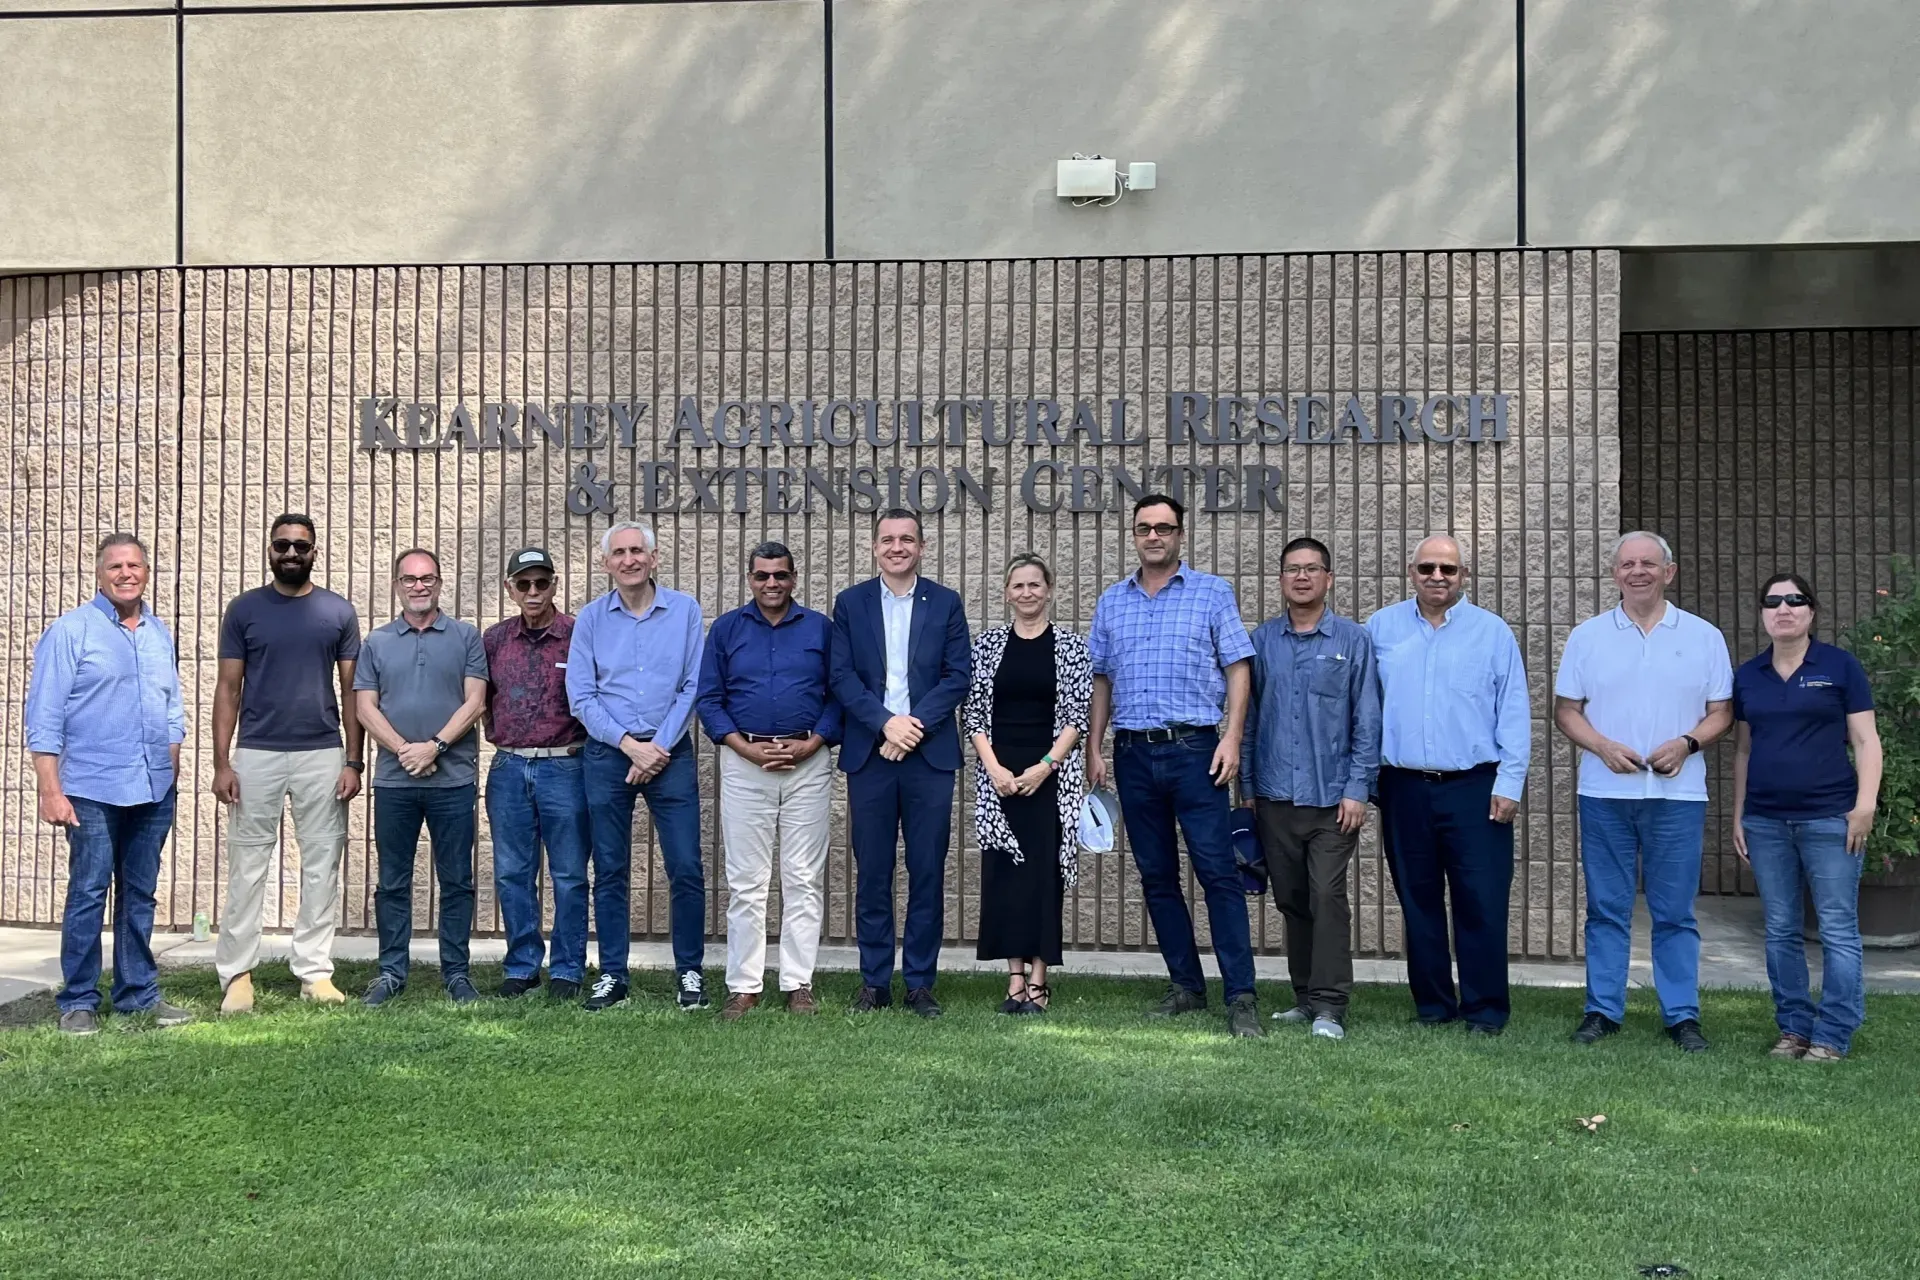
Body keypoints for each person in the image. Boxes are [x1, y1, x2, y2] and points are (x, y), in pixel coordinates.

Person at [1086, 494, 1261, 1038]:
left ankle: (1241, 996)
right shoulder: (1113, 601)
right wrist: (1095, 746)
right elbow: (1101, 680)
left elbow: (1238, 667)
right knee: (1157, 877)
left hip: (1196, 753)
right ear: (1134, 535)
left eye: (1164, 528)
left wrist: (1232, 737)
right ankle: (1186, 986)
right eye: (1144, 528)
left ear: (1181, 535)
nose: (1154, 536)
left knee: (1218, 874)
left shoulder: (1212, 592)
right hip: (1133, 754)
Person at [1555, 531, 1732, 1053]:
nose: (1638, 572)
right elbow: (1566, 709)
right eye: (1627, 564)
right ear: (1614, 575)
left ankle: (1681, 1015)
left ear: (1668, 572)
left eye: (1648, 564)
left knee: (1674, 911)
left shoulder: (1704, 636)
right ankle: (1602, 1011)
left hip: (1678, 798)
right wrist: (1603, 747)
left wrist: (1688, 742)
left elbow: (1722, 712)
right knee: (1606, 908)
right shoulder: (1587, 637)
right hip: (1605, 793)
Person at [26, 533, 192, 1035]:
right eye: (116, 565)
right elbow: (44, 715)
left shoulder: (159, 632)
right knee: (88, 893)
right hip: (92, 788)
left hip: (153, 786)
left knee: (140, 895)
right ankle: (77, 1001)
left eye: (135, 565)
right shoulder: (71, 632)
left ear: (146, 572)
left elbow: (171, 709)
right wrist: (49, 789)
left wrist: (172, 761)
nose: (126, 573)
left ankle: (138, 995)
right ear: (100, 574)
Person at [1367, 535, 1530, 1036]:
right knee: (1418, 901)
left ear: (1464, 576)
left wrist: (1510, 783)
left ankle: (1485, 1010)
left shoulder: (1492, 632)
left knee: (1480, 900)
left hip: (1475, 788)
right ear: (1411, 572)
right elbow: (1366, 709)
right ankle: (1434, 1006)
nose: (1438, 577)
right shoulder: (1381, 628)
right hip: (1403, 787)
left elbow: (1515, 711)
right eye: (1428, 568)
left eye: (1449, 570)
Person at [210, 514, 364, 1014]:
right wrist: (221, 764)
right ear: (270, 550)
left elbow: (351, 691)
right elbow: (228, 689)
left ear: (315, 551)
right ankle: (237, 975)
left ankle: (315, 973)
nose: (292, 553)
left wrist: (353, 761)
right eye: (283, 545)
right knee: (247, 867)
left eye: (301, 545)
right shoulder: (244, 610)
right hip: (256, 753)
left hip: (322, 752)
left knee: (323, 865)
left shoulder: (337, 611)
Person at [1732, 574, 1882, 1061]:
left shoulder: (1839, 667)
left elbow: (1866, 741)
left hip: (1829, 818)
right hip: (1766, 822)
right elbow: (1744, 750)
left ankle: (1833, 1033)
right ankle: (1794, 1028)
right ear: (1763, 613)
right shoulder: (1749, 674)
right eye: (1772, 601)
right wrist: (1738, 816)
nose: (1784, 608)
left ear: (1811, 611)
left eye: (1795, 600)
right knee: (1780, 929)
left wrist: (1864, 807)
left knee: (1838, 930)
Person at [830, 508, 971, 1018]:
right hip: (871, 753)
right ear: (873, 547)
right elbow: (841, 677)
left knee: (926, 870)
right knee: (873, 871)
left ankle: (919, 982)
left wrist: (910, 727)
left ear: (921, 546)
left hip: (928, 756)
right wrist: (885, 724)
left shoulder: (946, 603)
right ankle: (874, 981)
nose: (897, 547)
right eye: (887, 539)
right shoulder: (851, 603)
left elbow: (958, 676)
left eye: (906, 539)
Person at [1240, 536, 1381, 1040]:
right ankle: (1303, 997)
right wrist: (1249, 788)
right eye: (1292, 570)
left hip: (1332, 799)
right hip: (1275, 795)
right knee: (1292, 898)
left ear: (1328, 579)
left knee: (1327, 894)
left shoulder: (1353, 641)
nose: (1301, 577)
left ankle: (1330, 1006)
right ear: (1280, 579)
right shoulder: (1260, 642)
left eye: (1311, 569)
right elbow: (1250, 719)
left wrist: (1358, 789)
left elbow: (1367, 720)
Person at [568, 521, 708, 1011]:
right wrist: (631, 746)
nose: (629, 559)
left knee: (686, 866)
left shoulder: (686, 610)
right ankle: (613, 975)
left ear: (654, 558)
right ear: (605, 563)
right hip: (609, 755)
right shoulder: (589, 619)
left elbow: (693, 685)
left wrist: (658, 748)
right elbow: (581, 696)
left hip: (670, 754)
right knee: (609, 868)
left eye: (637, 551)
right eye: (619, 553)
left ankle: (690, 972)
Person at [696, 541, 840, 1020]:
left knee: (802, 878)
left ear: (794, 578)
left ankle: (798, 983)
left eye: (780, 575)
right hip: (744, 763)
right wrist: (743, 748)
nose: (771, 584)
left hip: (808, 763)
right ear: (750, 579)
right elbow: (710, 699)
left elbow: (840, 695)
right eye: (762, 576)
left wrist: (814, 742)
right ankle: (743, 986)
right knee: (747, 883)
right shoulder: (727, 629)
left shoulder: (821, 628)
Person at [353, 548, 489, 1006]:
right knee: (392, 881)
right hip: (394, 782)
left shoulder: (467, 637)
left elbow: (475, 702)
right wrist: (405, 751)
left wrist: (436, 747)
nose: (418, 586)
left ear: (439, 583)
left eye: (427, 578)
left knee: (456, 881)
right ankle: (391, 972)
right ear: (397, 585)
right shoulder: (376, 642)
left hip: (453, 780)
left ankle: (457, 974)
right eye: (409, 579)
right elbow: (364, 707)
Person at [963, 553, 1091, 1014]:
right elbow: (973, 713)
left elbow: (1079, 715)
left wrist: (1046, 766)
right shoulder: (988, 645)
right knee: (1006, 878)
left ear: (1049, 590)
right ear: (1006, 593)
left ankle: (1038, 979)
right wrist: (994, 768)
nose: (1027, 593)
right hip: (999, 775)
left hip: (1049, 777)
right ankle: (1013, 977)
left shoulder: (1072, 647)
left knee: (1043, 876)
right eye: (1018, 586)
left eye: (1035, 584)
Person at [482, 547, 590, 1000]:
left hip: (565, 765)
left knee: (569, 873)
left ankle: (567, 969)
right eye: (522, 583)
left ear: (554, 585)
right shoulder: (493, 640)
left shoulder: (579, 634)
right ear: (509, 588)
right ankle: (523, 965)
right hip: (508, 766)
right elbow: (480, 698)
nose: (532, 591)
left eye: (541, 582)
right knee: (512, 872)